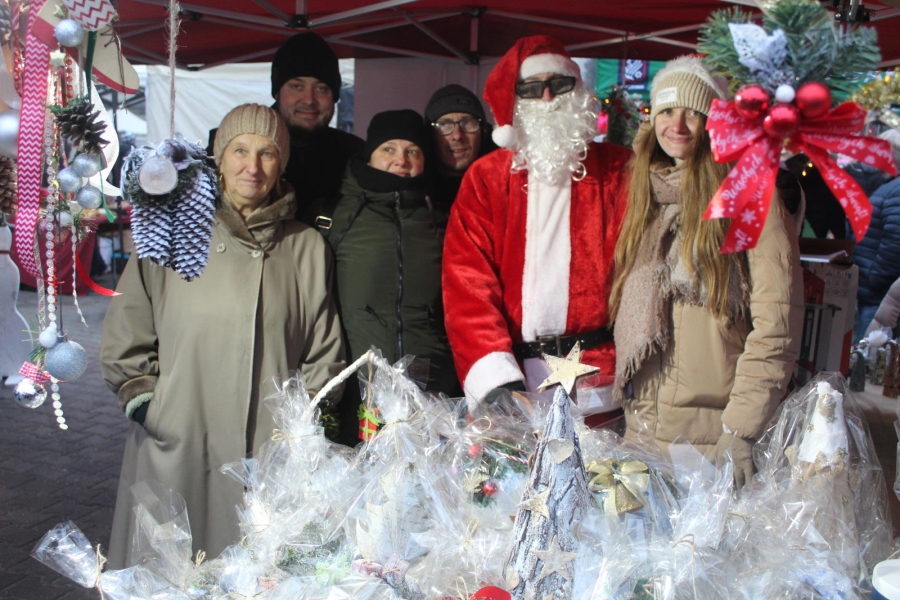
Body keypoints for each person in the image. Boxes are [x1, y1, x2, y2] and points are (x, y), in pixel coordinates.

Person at [101, 104, 345, 566]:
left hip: (271, 452)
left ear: (282, 166)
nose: (252, 167)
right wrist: (154, 408)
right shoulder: (171, 230)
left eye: (268, 153)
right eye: (240, 150)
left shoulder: (306, 247)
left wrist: (301, 428)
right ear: (219, 157)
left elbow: (324, 350)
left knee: (259, 577)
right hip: (182, 438)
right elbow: (127, 329)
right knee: (170, 576)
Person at [609, 56, 803, 488]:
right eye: (666, 111)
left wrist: (741, 431)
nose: (677, 125)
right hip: (642, 430)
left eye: (693, 112)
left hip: (713, 437)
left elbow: (778, 324)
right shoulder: (646, 194)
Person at [441, 35, 632, 415]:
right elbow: (467, 284)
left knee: (610, 476)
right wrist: (495, 381)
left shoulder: (619, 169)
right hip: (518, 392)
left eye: (558, 85)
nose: (547, 99)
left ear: (577, 90)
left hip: (605, 386)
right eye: (531, 89)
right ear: (516, 101)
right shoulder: (487, 178)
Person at [327, 109, 460, 446]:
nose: (401, 160)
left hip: (433, 395)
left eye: (412, 151)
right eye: (388, 149)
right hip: (357, 394)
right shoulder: (335, 217)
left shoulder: (442, 220)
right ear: (369, 156)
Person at [207, 33, 364, 226]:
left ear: (335, 96)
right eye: (297, 86)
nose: (309, 99)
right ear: (277, 92)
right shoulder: (226, 146)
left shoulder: (354, 155)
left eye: (321, 88)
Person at [852, 129, 900, 338]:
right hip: (873, 289)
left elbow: (894, 244)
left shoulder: (895, 189)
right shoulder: (890, 185)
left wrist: (873, 279)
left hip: (877, 292)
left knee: (869, 354)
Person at [423, 84, 497, 210]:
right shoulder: (414, 195)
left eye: (467, 122)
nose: (457, 135)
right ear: (430, 134)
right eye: (444, 124)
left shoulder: (504, 189)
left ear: (483, 132)